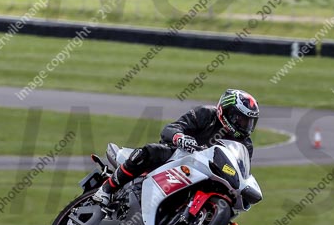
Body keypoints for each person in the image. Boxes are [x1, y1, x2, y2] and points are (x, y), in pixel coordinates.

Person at [92, 88, 259, 206]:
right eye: (241, 119)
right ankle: (107, 189)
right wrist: (181, 138)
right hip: (177, 156)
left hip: (207, 174)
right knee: (150, 151)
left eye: (249, 122)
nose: (245, 126)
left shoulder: (245, 144)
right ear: (226, 112)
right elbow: (170, 129)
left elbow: (241, 169)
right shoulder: (206, 114)